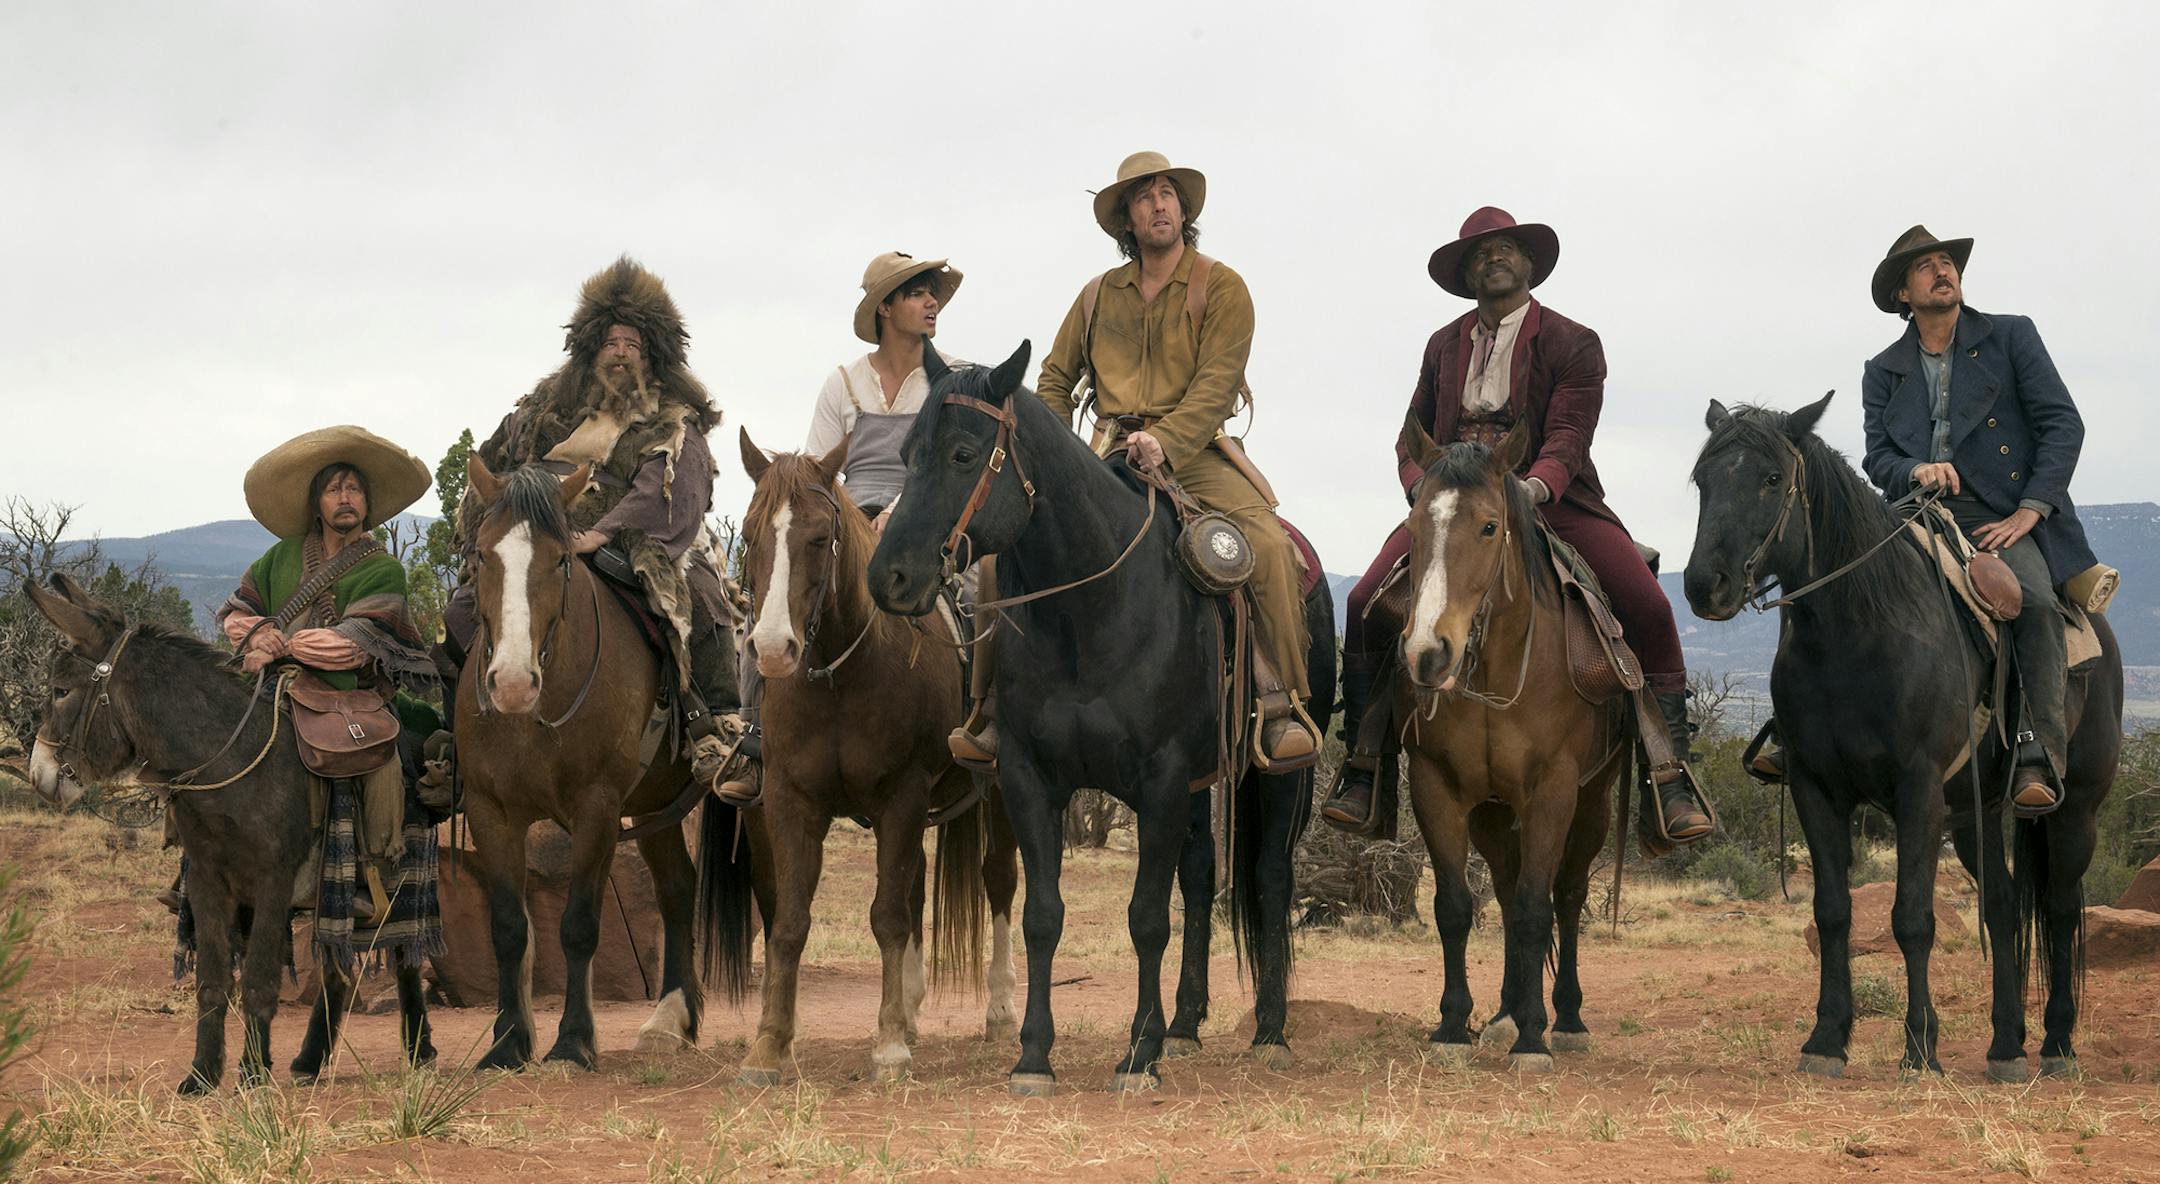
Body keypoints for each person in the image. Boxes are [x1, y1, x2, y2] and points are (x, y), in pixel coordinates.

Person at [1322, 207, 1712, 841]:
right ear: (1466, 272)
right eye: (1480, 253)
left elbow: (1569, 434)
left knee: (1648, 605)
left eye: (1505, 249)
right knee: (1367, 600)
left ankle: (1668, 777)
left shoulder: (1573, 341)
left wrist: (1534, 486)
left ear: (1530, 264)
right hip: (1455, 499)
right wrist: (1420, 486)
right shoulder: (1442, 344)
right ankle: (1365, 768)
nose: (1493, 259)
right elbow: (1411, 433)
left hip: (1548, 497)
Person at [971, 150, 1315, 768]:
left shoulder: (1223, 285)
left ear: (1184, 210)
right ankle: (992, 708)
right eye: (1143, 197)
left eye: (1168, 194)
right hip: (1105, 450)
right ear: (1125, 221)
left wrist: (1169, 440)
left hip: (1197, 450)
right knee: (1006, 556)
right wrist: (1061, 449)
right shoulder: (1097, 295)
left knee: (1264, 546)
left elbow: (1217, 383)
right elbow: (1054, 378)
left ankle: (1278, 702)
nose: (1158, 204)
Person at [436, 257, 742, 796]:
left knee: (696, 597)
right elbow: (498, 458)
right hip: (540, 531)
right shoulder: (543, 408)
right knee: (463, 609)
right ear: (590, 348)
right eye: (610, 341)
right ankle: (452, 737)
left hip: (636, 536)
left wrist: (602, 533)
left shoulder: (673, 419)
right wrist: (497, 513)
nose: (621, 352)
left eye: (633, 343)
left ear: (654, 354)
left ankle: (713, 729)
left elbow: (669, 489)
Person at [1857, 225, 2097, 814]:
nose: (1943, 271)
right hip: (1918, 507)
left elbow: (2063, 424)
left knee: (2034, 601)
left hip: (2001, 511)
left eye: (1947, 262)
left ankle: (2036, 752)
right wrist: (1916, 470)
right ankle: (1800, 732)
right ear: (1902, 297)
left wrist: (2030, 509)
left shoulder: (2011, 336)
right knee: (1842, 577)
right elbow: (1877, 456)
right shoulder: (1882, 368)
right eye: (1925, 267)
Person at [212, 425, 442, 955]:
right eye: (334, 488)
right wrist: (258, 634)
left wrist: (281, 644)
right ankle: (204, 875)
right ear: (317, 503)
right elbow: (235, 612)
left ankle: (365, 876)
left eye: (355, 489)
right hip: (274, 691)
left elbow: (352, 644)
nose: (346, 497)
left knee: (367, 760)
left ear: (367, 504)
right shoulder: (280, 557)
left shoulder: (383, 567)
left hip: (350, 699)